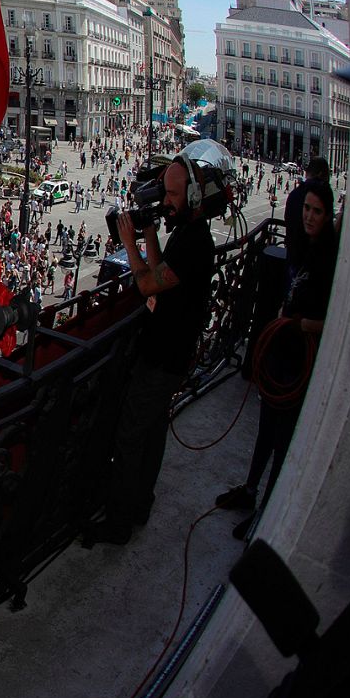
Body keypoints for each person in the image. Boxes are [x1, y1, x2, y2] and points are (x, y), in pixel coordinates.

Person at [87, 157, 217, 545]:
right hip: (171, 353)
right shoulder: (189, 232)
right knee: (154, 431)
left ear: (193, 195)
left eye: (173, 195)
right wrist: (148, 234)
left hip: (164, 356)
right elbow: (162, 270)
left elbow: (148, 285)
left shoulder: (195, 242)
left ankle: (118, 523)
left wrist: (129, 243)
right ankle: (141, 503)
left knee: (131, 436)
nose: (167, 202)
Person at [217, 179, 339, 536]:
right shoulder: (303, 248)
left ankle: (266, 514)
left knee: (283, 439)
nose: (309, 217)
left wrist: (299, 323)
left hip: (300, 358)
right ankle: (251, 490)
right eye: (306, 210)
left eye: (317, 212)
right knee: (266, 429)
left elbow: (332, 320)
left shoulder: (329, 262)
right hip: (280, 350)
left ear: (327, 214)